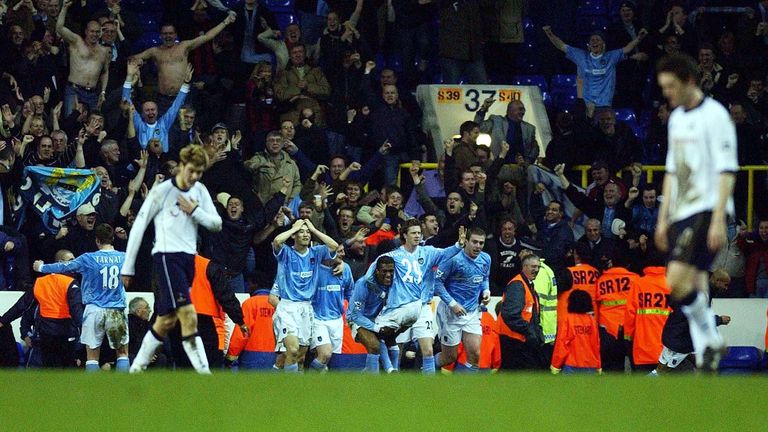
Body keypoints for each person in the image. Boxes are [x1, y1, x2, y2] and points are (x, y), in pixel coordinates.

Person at [654, 53, 738, 371]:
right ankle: (708, 348)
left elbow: (727, 170)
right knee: (696, 285)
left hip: (708, 207)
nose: (668, 94)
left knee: (675, 281)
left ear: (689, 82)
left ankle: (707, 337)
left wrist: (718, 219)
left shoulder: (716, 116)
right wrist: (663, 219)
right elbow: (673, 171)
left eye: (672, 87)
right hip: (683, 210)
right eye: (664, 88)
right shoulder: (676, 118)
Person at [122, 144, 223, 374]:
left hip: (188, 260)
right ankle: (205, 375)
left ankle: (135, 369)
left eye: (199, 172)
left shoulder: (200, 191)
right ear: (181, 166)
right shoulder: (163, 191)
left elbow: (217, 224)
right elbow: (139, 224)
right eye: (192, 171)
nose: (195, 176)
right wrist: (128, 266)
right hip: (166, 257)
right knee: (188, 314)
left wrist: (196, 211)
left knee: (166, 320)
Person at [362, 219, 465, 374]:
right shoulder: (394, 256)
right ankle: (391, 379)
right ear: (405, 235)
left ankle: (428, 389)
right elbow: (371, 274)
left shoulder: (428, 252)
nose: (417, 236)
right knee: (397, 350)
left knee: (428, 350)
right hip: (400, 308)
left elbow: (445, 253)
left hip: (422, 307)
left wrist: (459, 245)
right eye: (413, 233)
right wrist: (379, 293)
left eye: (419, 233)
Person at [33, 224, 128, 372]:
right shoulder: (124, 257)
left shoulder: (88, 258)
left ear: (97, 240)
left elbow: (64, 267)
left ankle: (92, 392)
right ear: (112, 238)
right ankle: (124, 390)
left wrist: (41, 267)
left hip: (94, 310)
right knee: (122, 354)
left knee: (92, 356)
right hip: (116, 310)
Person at [131, 12, 237, 113]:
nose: (168, 36)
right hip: (163, 99)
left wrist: (226, 21)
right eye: (165, 34)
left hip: (183, 97)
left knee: (185, 127)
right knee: (165, 129)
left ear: (176, 35)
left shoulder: (184, 46)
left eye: (171, 33)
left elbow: (207, 36)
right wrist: (139, 61)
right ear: (160, 35)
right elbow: (132, 58)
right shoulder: (154, 51)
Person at [271, 218, 339, 372]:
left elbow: (334, 246)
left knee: (300, 357)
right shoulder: (286, 253)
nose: (305, 234)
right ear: (294, 235)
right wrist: (294, 228)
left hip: (306, 308)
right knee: (292, 350)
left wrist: (314, 230)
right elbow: (277, 241)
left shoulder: (316, 252)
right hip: (287, 307)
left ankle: (292, 389)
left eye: (307, 232)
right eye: (301, 232)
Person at [0, 250, 82, 368]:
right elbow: (76, 310)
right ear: (60, 262)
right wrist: (85, 329)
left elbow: (22, 305)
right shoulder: (71, 283)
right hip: (66, 333)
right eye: (71, 260)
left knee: (49, 371)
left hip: (46, 334)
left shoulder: (41, 282)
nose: (74, 263)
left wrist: (4, 320)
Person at [543, 26, 648, 114]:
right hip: (587, 107)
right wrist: (549, 34)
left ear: (603, 45)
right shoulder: (580, 56)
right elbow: (561, 45)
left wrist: (639, 38)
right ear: (588, 46)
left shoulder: (611, 57)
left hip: (605, 107)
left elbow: (627, 48)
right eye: (592, 40)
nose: (594, 42)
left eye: (598, 40)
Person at [434, 227, 491, 372]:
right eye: (474, 242)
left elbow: (484, 277)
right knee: (449, 357)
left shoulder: (486, 259)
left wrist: (486, 291)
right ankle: (425, 365)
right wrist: (453, 304)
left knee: (475, 353)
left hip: (472, 312)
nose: (478, 246)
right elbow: (437, 282)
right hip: (450, 313)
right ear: (466, 241)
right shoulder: (453, 259)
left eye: (481, 243)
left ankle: (469, 389)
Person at [57, 0, 111, 115]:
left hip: (92, 93)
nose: (94, 34)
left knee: (94, 124)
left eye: (97, 32)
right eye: (92, 31)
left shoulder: (104, 51)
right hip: (74, 90)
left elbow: (105, 72)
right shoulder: (77, 41)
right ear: (86, 31)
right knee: (71, 123)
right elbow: (60, 28)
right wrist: (64, 9)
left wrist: (103, 92)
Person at [347, 256, 396, 373]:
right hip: (357, 319)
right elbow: (355, 315)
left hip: (378, 318)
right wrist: (377, 328)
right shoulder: (363, 284)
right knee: (374, 345)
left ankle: (392, 372)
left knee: (394, 344)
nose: (388, 275)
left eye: (391, 271)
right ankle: (376, 381)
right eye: (385, 271)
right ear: (377, 271)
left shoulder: (393, 283)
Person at [310, 245, 354, 371]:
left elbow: (350, 293)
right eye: (339, 251)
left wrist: (352, 315)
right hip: (317, 319)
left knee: (328, 359)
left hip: (336, 319)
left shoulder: (345, 269)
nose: (343, 254)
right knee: (325, 354)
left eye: (343, 250)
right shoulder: (315, 269)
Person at [499, 252, 545, 370]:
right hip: (513, 342)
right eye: (533, 266)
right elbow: (511, 315)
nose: (537, 270)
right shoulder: (517, 285)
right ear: (524, 267)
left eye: (538, 267)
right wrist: (530, 332)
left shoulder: (527, 285)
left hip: (521, 340)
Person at [550, 289, 601, 374]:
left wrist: (555, 365)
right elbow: (596, 345)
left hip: (571, 365)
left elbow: (561, 344)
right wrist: (598, 365)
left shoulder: (567, 319)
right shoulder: (592, 321)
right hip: (590, 365)